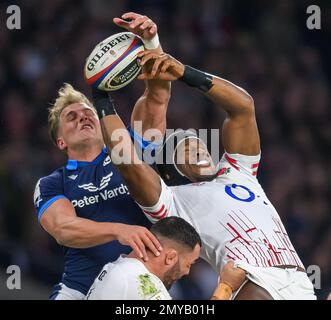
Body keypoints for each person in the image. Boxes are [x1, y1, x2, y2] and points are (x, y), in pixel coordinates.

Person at [90, 50, 317, 300]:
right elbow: (129, 163)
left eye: (199, 143)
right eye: (185, 147)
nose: (198, 147)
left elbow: (243, 108)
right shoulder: (171, 202)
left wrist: (185, 73)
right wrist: (101, 98)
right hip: (254, 282)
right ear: (169, 171)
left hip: (301, 282)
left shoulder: (239, 171)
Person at [33, 13, 171, 300]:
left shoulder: (128, 151)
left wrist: (151, 43)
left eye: (88, 112)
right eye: (71, 117)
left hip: (140, 286)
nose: (82, 117)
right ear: (60, 141)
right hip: (78, 291)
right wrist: (119, 230)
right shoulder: (51, 183)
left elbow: (157, 98)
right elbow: (63, 228)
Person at [86, 217, 246, 300]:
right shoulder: (141, 281)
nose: (186, 272)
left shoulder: (121, 268)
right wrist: (226, 287)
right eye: (189, 264)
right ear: (171, 257)